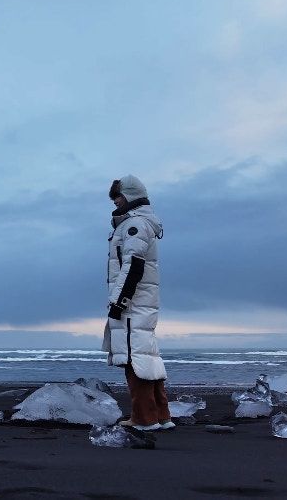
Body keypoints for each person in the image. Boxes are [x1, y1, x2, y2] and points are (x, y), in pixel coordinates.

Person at [101, 175, 172, 431]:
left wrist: (119, 301)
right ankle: (161, 415)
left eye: (118, 196)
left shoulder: (135, 225)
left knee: (134, 357)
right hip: (142, 300)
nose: (116, 201)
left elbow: (134, 266)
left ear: (129, 195)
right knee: (146, 354)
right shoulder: (138, 223)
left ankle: (144, 419)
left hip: (133, 301)